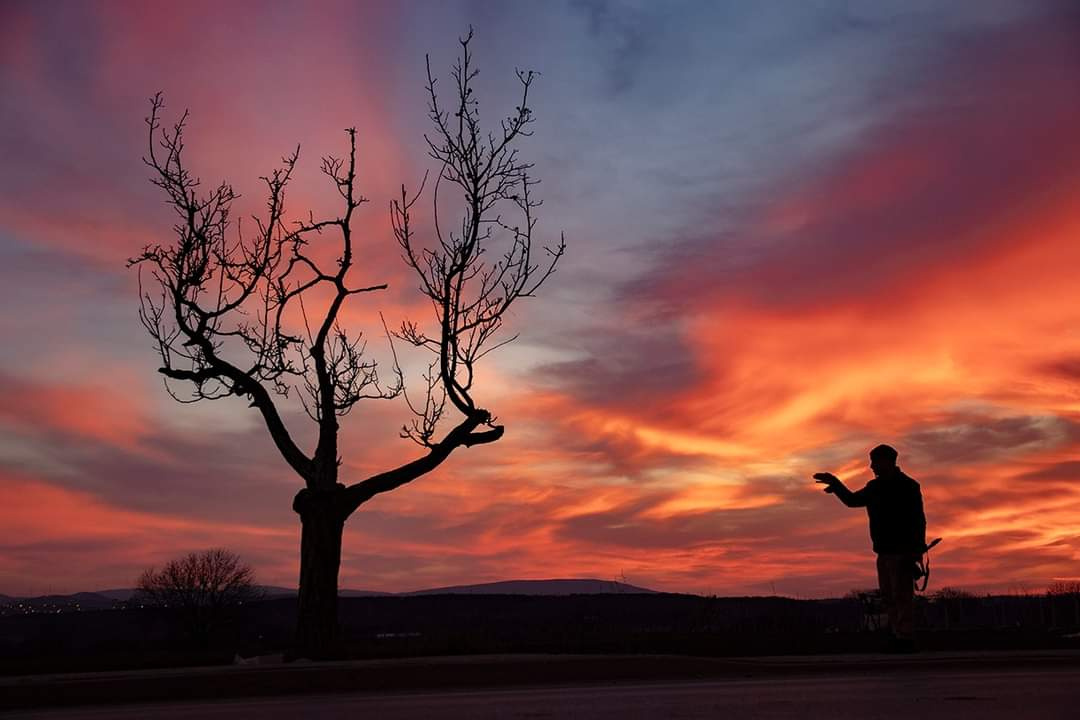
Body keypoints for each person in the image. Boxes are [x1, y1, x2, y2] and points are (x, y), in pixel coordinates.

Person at [814, 444, 926, 652]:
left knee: (902, 596)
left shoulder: (908, 486)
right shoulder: (875, 487)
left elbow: (918, 520)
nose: (871, 466)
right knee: (889, 596)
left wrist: (916, 550)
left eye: (875, 462)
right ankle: (898, 636)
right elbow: (852, 500)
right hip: (883, 551)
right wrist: (836, 484)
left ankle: (905, 638)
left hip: (902, 552)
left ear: (887, 462)